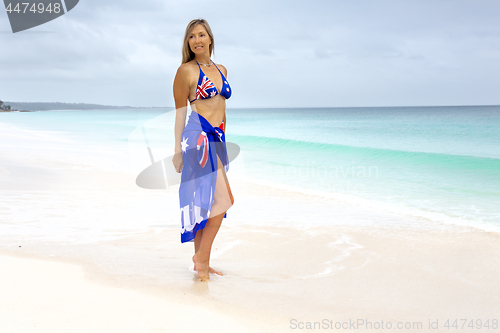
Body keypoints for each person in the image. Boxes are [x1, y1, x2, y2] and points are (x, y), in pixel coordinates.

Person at [172, 19, 234, 282]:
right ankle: (202, 260)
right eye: (191, 37)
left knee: (205, 204)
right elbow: (180, 112)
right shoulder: (185, 71)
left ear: (210, 39)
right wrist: (177, 150)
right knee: (224, 200)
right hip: (197, 136)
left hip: (216, 138)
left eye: (201, 34)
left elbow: (223, 109)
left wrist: (222, 142)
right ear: (188, 43)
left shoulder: (222, 70)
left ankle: (201, 264)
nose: (197, 40)